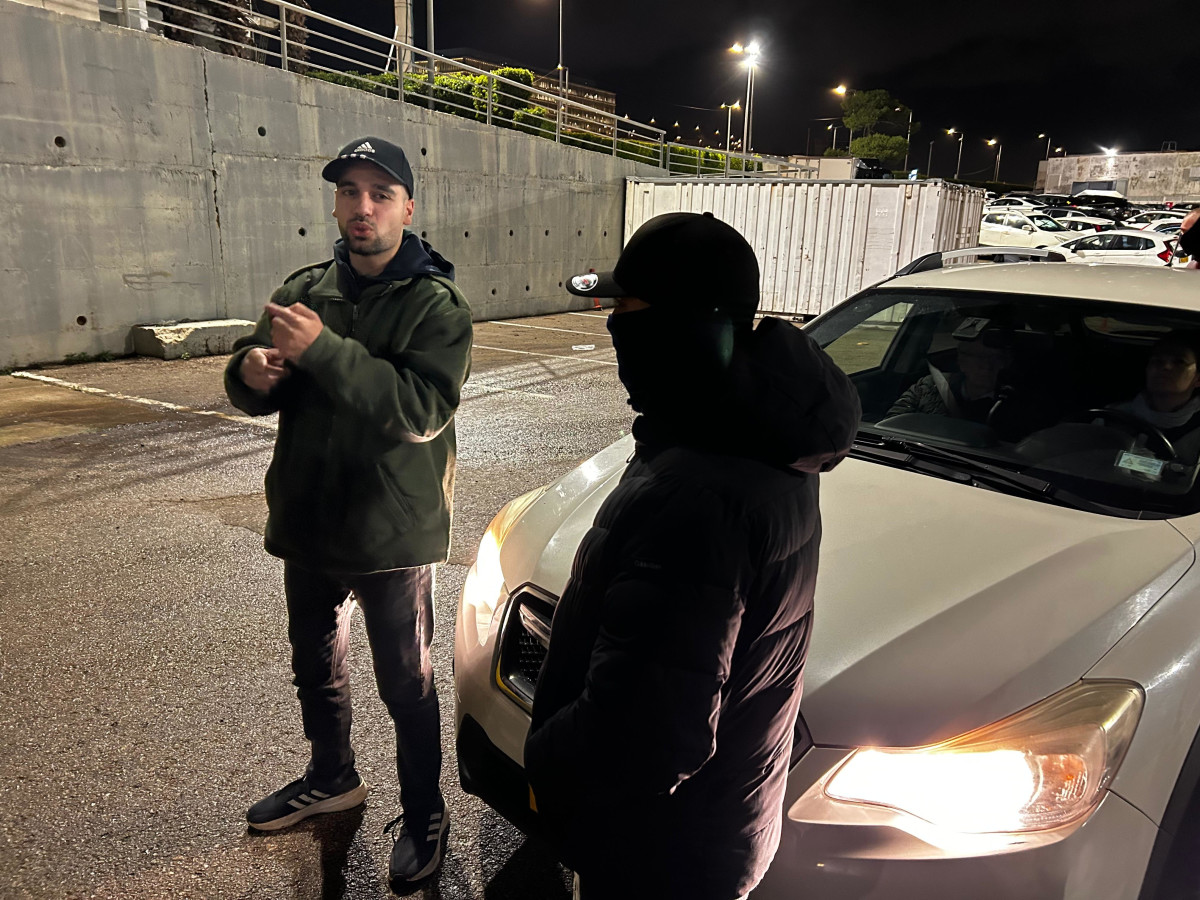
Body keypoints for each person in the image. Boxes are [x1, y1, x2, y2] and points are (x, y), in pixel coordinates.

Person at [523, 212, 860, 899]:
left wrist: (546, 760)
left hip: (659, 852)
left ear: (679, 329)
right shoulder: (759, 436)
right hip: (713, 824)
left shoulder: (699, 492)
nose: (612, 323)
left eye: (626, 308)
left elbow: (648, 736)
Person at [223, 136, 472, 891]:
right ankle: (331, 776)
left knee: (406, 683)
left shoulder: (436, 304)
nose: (363, 207)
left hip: (391, 533)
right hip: (310, 522)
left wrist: (324, 351)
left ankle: (425, 811)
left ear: (407, 209)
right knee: (316, 664)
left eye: (380, 194)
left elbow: (420, 410)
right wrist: (249, 371)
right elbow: (254, 381)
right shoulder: (307, 289)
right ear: (335, 204)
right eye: (349, 192)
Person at [887, 328, 1013, 422]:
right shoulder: (929, 387)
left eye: (996, 358)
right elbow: (891, 425)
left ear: (1004, 363)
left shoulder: (1014, 402)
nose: (986, 365)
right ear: (962, 361)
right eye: (979, 357)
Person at [1110, 332, 1200, 462]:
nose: (1166, 367)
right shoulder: (1113, 416)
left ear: (1198, 378)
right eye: (1157, 360)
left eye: (1179, 362)